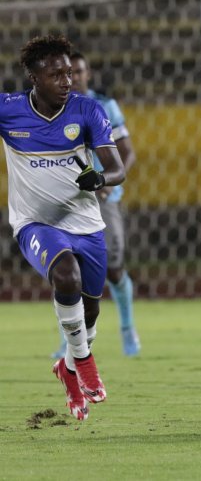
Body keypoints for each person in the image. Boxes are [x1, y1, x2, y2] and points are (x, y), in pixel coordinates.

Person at [1, 35, 127, 422]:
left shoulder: (88, 111)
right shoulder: (9, 110)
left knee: (89, 311)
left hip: (84, 222)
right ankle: (85, 363)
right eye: (56, 74)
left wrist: (100, 179)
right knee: (65, 276)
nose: (66, 80)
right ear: (34, 77)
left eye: (69, 73)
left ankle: (68, 370)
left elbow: (117, 168)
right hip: (35, 222)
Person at [51, 51, 140, 358]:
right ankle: (70, 341)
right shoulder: (55, 109)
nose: (73, 77)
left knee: (113, 268)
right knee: (68, 268)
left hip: (103, 198)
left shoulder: (105, 107)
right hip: (67, 200)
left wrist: (105, 183)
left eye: (78, 72)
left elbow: (127, 153)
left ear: (87, 74)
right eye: (67, 73)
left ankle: (128, 328)